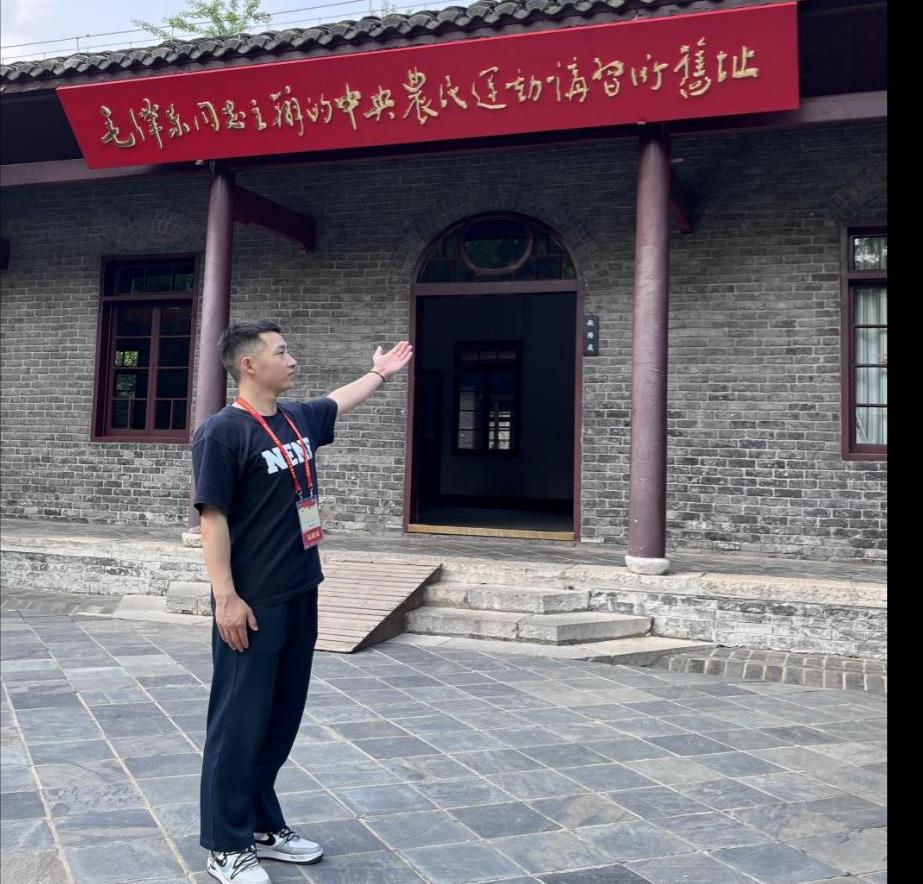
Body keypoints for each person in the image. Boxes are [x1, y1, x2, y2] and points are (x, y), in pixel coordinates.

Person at [191, 320, 413, 884]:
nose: (292, 360)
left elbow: (339, 400)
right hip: (253, 602)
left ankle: (262, 825)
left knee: (280, 718)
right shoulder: (222, 433)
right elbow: (212, 520)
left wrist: (379, 374)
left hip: (299, 589)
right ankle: (225, 844)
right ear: (249, 364)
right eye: (282, 352)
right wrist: (226, 598)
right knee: (238, 723)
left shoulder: (294, 419)